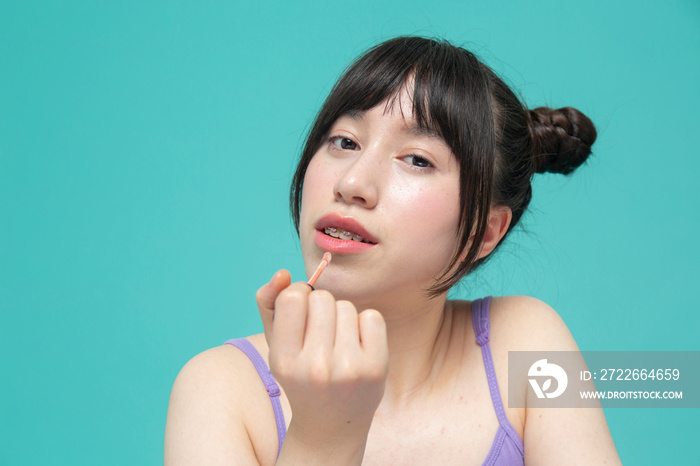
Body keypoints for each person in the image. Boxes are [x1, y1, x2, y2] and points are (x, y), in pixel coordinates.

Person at [164, 36, 621, 465]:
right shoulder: (219, 390)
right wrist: (322, 439)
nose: (352, 184)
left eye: (417, 159)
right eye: (344, 142)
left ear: (485, 232)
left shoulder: (524, 342)